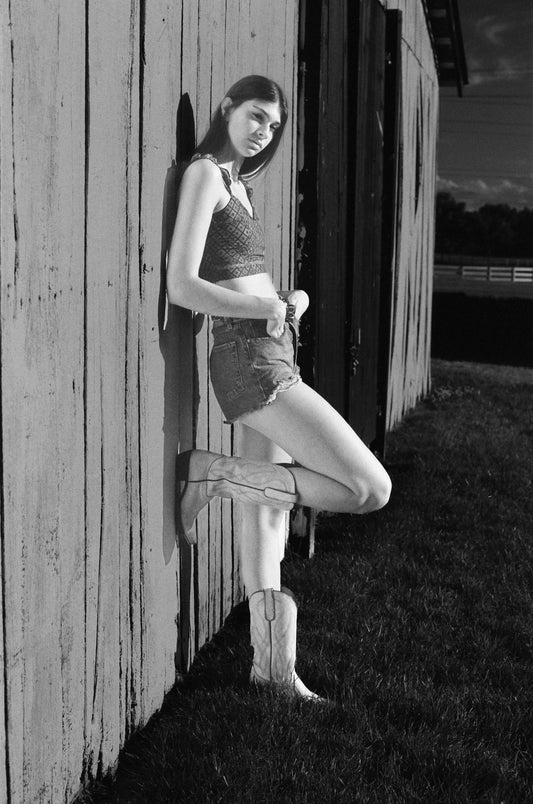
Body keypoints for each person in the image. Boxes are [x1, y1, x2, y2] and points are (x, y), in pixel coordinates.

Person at [166, 75, 391, 701]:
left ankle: (270, 668)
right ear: (227, 108)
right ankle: (212, 475)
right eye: (256, 115)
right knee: (370, 489)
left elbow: (246, 282)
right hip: (250, 361)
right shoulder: (206, 174)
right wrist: (263, 310)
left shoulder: (239, 185)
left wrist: (290, 298)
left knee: (267, 520)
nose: (263, 130)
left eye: (273, 124)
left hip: (268, 348)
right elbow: (181, 286)